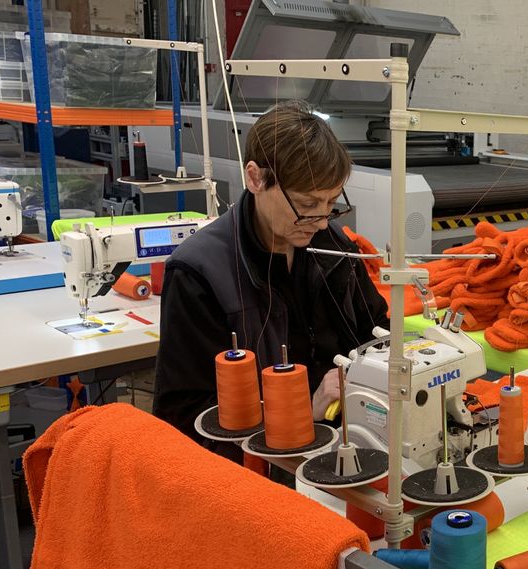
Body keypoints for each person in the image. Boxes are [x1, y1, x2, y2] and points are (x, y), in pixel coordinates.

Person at [154, 101, 387, 459]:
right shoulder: (198, 273)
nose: (322, 221)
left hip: (346, 445)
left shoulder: (334, 248)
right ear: (256, 178)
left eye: (330, 203)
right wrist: (302, 413)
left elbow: (377, 335)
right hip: (253, 471)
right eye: (307, 204)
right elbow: (185, 418)